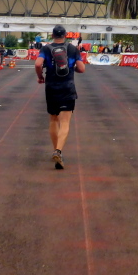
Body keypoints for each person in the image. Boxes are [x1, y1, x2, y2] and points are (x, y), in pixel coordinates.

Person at [35, 25, 85, 170]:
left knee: (53, 119)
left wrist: (40, 76)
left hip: (51, 87)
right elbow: (82, 69)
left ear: (52, 35)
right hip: (67, 87)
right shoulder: (72, 49)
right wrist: (72, 68)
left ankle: (56, 149)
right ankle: (58, 150)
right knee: (65, 121)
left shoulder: (46, 48)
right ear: (65, 35)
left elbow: (38, 64)